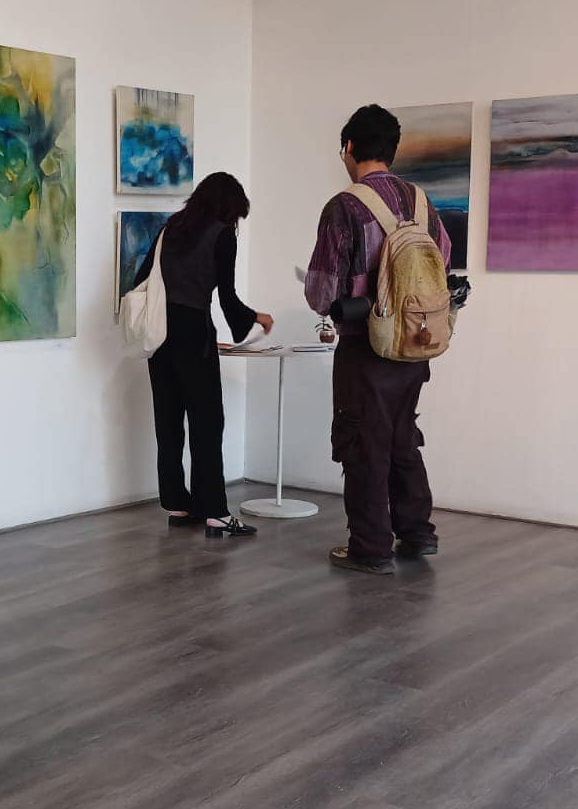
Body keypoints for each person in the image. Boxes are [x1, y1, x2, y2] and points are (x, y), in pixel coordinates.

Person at [303, 105, 453, 574]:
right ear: (392, 149)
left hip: (365, 346)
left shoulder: (345, 206)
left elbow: (321, 291)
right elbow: (443, 264)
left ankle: (370, 548)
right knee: (403, 436)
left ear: (349, 147)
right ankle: (417, 532)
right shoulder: (421, 202)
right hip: (416, 343)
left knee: (363, 443)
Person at [139, 171, 273, 538]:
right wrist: (257, 318)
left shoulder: (171, 229)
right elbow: (227, 298)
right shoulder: (221, 234)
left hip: (159, 333)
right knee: (207, 422)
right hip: (194, 331)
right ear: (229, 208)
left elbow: (140, 279)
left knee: (168, 421)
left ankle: (178, 505)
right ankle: (215, 512)